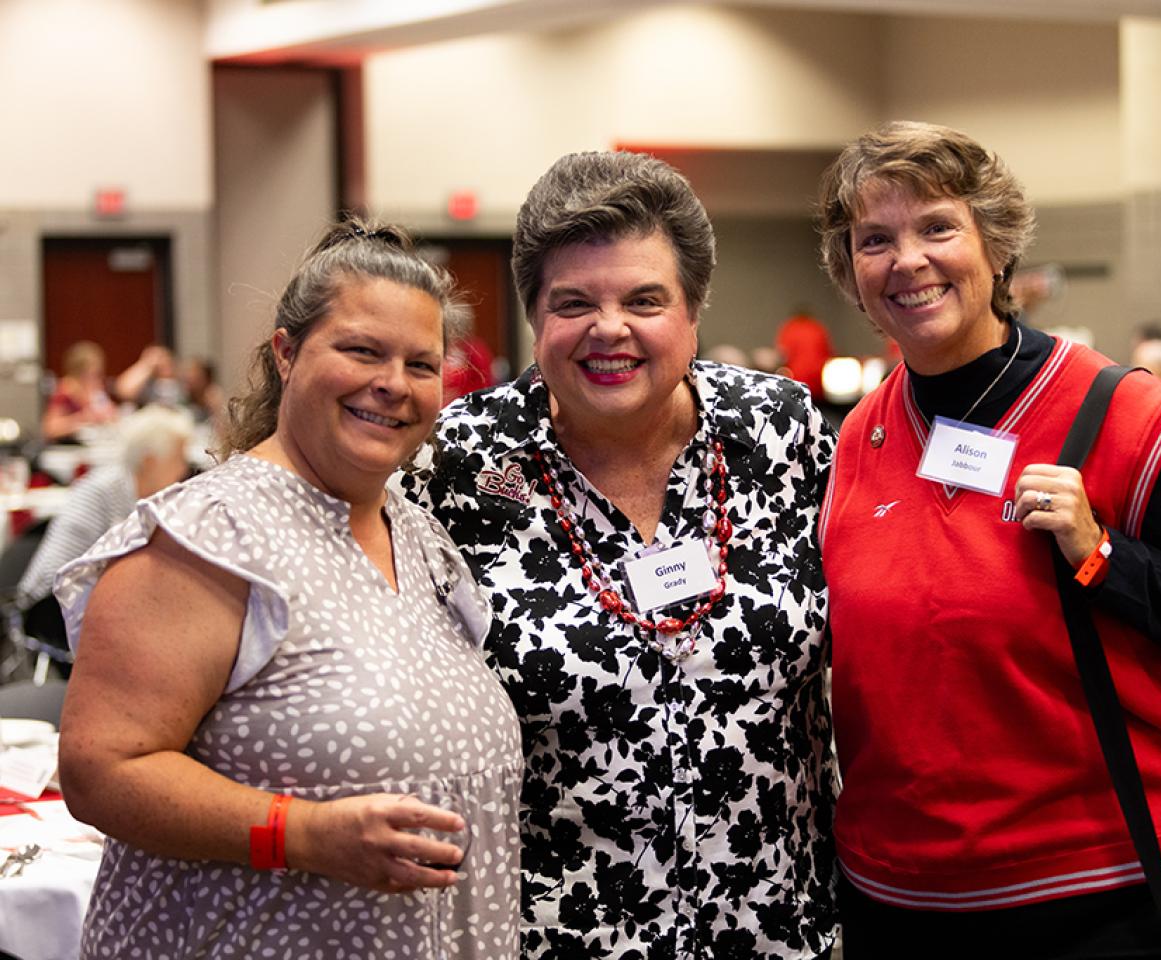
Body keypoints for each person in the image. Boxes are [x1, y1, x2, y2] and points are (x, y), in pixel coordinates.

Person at [815, 121, 1161, 958]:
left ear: (997, 248)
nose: (906, 260)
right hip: (905, 900)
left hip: (1113, 898)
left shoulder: (1122, 415)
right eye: (874, 240)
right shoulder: (860, 440)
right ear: (850, 272)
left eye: (937, 228)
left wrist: (1103, 555)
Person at [401, 151, 838, 959]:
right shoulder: (455, 463)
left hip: (779, 927)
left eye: (645, 299)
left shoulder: (779, 430)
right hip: (557, 930)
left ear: (694, 309)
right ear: (534, 317)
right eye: (574, 303)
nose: (610, 329)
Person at [54, 220, 521, 959]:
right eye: (361, 350)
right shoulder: (208, 537)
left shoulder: (420, 534)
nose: (393, 383)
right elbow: (100, 771)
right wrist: (300, 834)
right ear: (286, 353)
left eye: (421, 363)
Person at [16, 404, 194, 657]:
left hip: (94, 602)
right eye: (179, 458)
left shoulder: (143, 496)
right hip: (54, 608)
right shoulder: (102, 490)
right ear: (150, 462)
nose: (185, 470)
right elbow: (54, 578)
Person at [40, 340, 117, 441]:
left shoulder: (95, 389)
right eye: (92, 374)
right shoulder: (65, 391)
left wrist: (106, 414)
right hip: (67, 448)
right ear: (79, 372)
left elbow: (112, 415)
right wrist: (82, 418)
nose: (97, 378)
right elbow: (49, 429)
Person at [775, 308, 834, 402]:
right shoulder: (818, 328)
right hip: (818, 382)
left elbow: (783, 356)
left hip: (797, 382)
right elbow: (828, 355)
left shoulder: (790, 328)